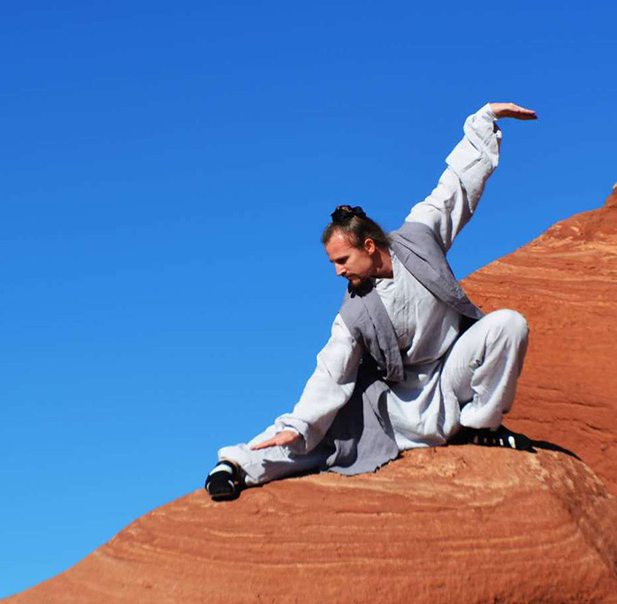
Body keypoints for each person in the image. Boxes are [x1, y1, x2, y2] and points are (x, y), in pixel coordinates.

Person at [205, 102, 538, 500]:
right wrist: (299, 423)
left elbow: (455, 189)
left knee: (509, 324)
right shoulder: (355, 312)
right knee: (329, 439)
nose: (338, 271)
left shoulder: (418, 239)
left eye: (342, 260)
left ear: (368, 245)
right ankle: (235, 465)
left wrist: (483, 122)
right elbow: (330, 376)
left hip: (454, 375)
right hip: (403, 405)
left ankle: (482, 427)